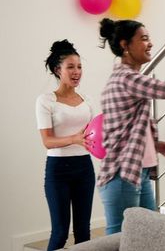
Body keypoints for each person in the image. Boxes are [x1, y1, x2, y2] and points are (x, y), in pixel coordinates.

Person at [97, 18, 165, 234]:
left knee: (153, 235)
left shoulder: (125, 78)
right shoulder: (128, 79)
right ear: (124, 45)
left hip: (139, 173)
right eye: (144, 39)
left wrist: (153, 144)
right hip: (122, 176)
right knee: (119, 242)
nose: (151, 43)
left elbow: (124, 126)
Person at [36, 40, 95, 251]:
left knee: (83, 232)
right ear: (57, 70)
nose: (76, 71)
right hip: (58, 170)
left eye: (79, 67)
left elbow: (93, 135)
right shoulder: (46, 101)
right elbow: (47, 141)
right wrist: (74, 139)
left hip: (84, 168)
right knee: (60, 232)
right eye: (70, 67)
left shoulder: (86, 100)